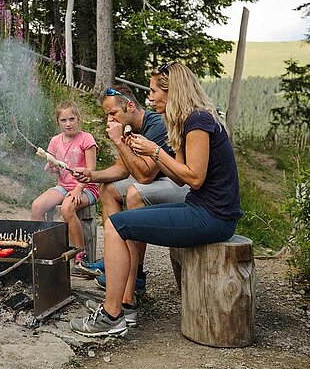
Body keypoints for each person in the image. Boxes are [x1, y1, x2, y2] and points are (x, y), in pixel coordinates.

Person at [71, 62, 243, 337]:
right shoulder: (187, 122)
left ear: (172, 90)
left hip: (213, 217)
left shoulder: (198, 120)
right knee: (121, 223)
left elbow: (195, 179)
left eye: (153, 91)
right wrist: (149, 152)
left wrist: (155, 152)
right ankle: (123, 306)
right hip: (202, 209)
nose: (150, 98)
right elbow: (178, 178)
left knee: (116, 225)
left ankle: (112, 315)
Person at [71, 84, 188, 292]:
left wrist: (118, 142)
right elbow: (122, 169)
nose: (110, 120)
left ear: (130, 106)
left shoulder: (156, 125)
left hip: (178, 183)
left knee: (135, 193)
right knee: (108, 189)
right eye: (107, 115)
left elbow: (144, 175)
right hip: (157, 181)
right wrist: (92, 176)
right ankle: (113, 260)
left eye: (113, 113)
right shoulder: (130, 128)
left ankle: (136, 276)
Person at [29, 100, 98, 271]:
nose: (68, 124)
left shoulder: (86, 139)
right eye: (63, 120)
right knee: (37, 206)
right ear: (58, 122)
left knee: (67, 208)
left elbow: (91, 170)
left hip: (87, 187)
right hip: (64, 186)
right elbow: (54, 169)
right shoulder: (55, 141)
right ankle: (44, 248)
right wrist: (51, 167)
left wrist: (78, 188)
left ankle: (81, 255)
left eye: (72, 119)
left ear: (78, 119)